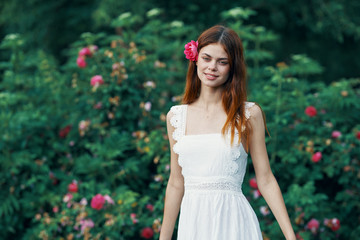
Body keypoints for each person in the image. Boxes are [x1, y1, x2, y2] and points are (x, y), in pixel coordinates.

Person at [159, 25, 296, 240]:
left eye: (222, 62)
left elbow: (266, 179)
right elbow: (176, 183)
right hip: (192, 226)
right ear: (195, 59)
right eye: (207, 58)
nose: (212, 67)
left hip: (234, 224)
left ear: (233, 68)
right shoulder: (176, 117)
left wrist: (290, 236)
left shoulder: (248, 114)